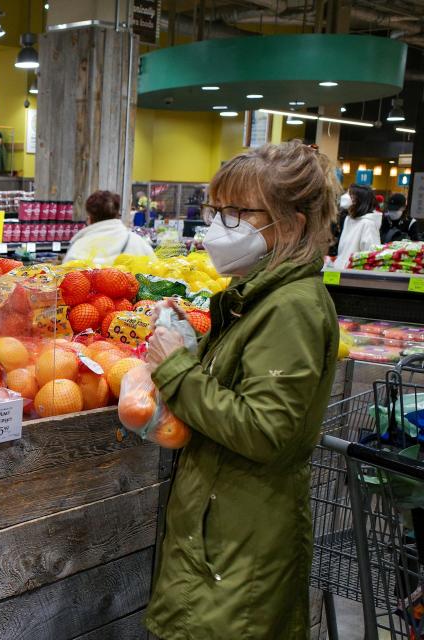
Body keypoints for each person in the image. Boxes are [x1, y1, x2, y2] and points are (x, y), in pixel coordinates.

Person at [144, 140, 339, 640]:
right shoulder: (255, 297)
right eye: (217, 210)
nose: (218, 226)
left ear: (291, 224)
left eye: (238, 213)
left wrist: (177, 371)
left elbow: (265, 429)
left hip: (239, 539)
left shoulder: (290, 307)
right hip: (221, 527)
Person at [63, 190, 155, 264]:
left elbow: (66, 280)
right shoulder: (138, 243)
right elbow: (156, 278)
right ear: (117, 215)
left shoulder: (79, 247)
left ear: (90, 218)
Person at [333, 184, 381, 269]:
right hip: (340, 273)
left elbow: (371, 257)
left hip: (354, 277)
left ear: (358, 200)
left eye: (350, 194)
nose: (345, 197)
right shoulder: (348, 220)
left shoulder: (368, 224)